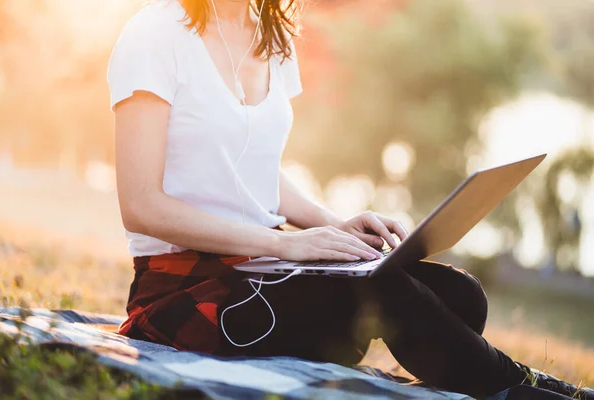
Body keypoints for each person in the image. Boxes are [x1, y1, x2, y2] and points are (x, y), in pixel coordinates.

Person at [107, 0, 593, 398]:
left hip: (267, 272)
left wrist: (332, 223)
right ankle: (524, 389)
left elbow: (250, 168)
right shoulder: (154, 34)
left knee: (460, 295)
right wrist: (285, 244)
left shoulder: (271, 36)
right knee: (389, 292)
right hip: (189, 290)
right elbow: (143, 205)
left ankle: (348, 331)